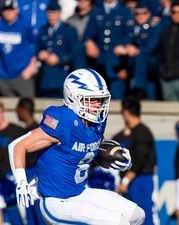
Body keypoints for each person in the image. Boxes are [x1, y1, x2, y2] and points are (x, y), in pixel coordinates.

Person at [8, 68, 145, 225]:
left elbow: (92, 148)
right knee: (119, 223)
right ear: (74, 98)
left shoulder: (96, 124)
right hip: (57, 202)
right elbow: (17, 146)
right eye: (91, 100)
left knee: (137, 215)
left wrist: (112, 157)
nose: (98, 105)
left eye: (100, 100)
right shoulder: (64, 121)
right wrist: (21, 182)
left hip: (81, 192)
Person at [114, 97, 157, 225]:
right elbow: (115, 141)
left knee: (143, 216)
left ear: (126, 112)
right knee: (130, 218)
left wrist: (125, 181)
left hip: (140, 180)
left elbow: (139, 160)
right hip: (132, 181)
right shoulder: (130, 133)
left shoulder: (142, 132)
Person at [37, 0, 81, 98]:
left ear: (60, 13)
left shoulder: (68, 30)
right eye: (49, 14)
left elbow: (75, 54)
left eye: (54, 14)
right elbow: (38, 48)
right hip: (46, 78)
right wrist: (40, 54)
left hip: (62, 75)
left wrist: (60, 59)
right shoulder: (43, 30)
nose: (52, 17)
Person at [0, 0, 38, 97]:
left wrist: (32, 66)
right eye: (5, 10)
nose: (8, 12)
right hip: (3, 75)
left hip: (22, 74)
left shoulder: (25, 25)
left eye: (11, 9)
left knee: (27, 105)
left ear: (17, 10)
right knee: (7, 107)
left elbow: (38, 45)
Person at [0, 100, 26, 225]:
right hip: (0, 180)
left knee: (20, 218)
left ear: (3, 111)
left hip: (14, 181)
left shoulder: (17, 131)